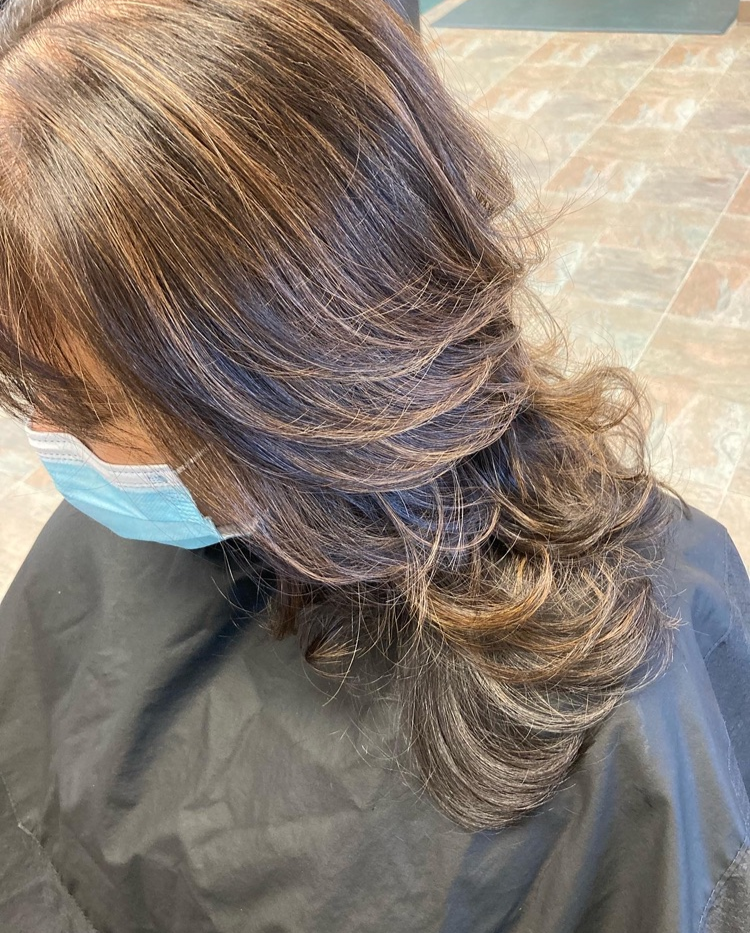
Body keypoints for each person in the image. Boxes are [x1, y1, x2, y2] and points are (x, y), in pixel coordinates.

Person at [0, 0, 748, 930]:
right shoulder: (139, 526)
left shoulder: (633, 716)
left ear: (276, 394)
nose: (49, 437)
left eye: (75, 403)